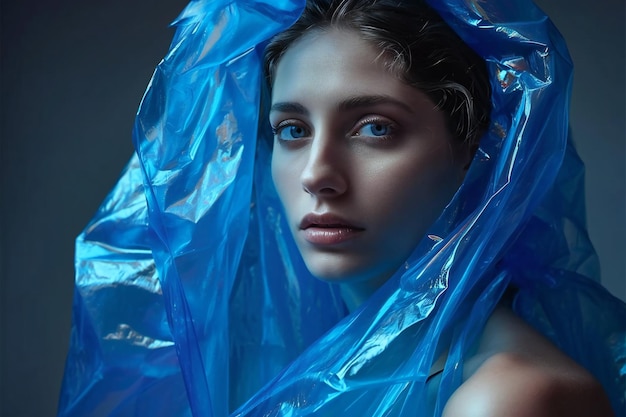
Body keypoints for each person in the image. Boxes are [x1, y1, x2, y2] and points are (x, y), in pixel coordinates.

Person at [58, 0, 626, 416]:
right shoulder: (344, 366)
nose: (317, 175)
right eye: (292, 129)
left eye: (374, 128)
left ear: (476, 152)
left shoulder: (505, 399)